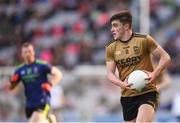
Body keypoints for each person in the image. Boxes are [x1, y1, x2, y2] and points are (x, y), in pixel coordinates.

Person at [105, 10, 171, 122]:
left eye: (115, 26)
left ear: (126, 26)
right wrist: (122, 84)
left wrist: (155, 73)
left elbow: (165, 57)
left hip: (147, 92)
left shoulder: (144, 40)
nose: (112, 29)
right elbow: (109, 74)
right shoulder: (111, 48)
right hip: (127, 96)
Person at [8, 42, 63, 122]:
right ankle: (50, 120)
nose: (27, 54)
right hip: (29, 104)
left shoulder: (42, 65)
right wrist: (12, 83)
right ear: (22, 54)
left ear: (33, 52)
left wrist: (50, 84)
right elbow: (11, 88)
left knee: (36, 120)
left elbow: (59, 74)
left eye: (29, 51)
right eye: (25, 52)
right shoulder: (19, 70)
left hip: (42, 101)